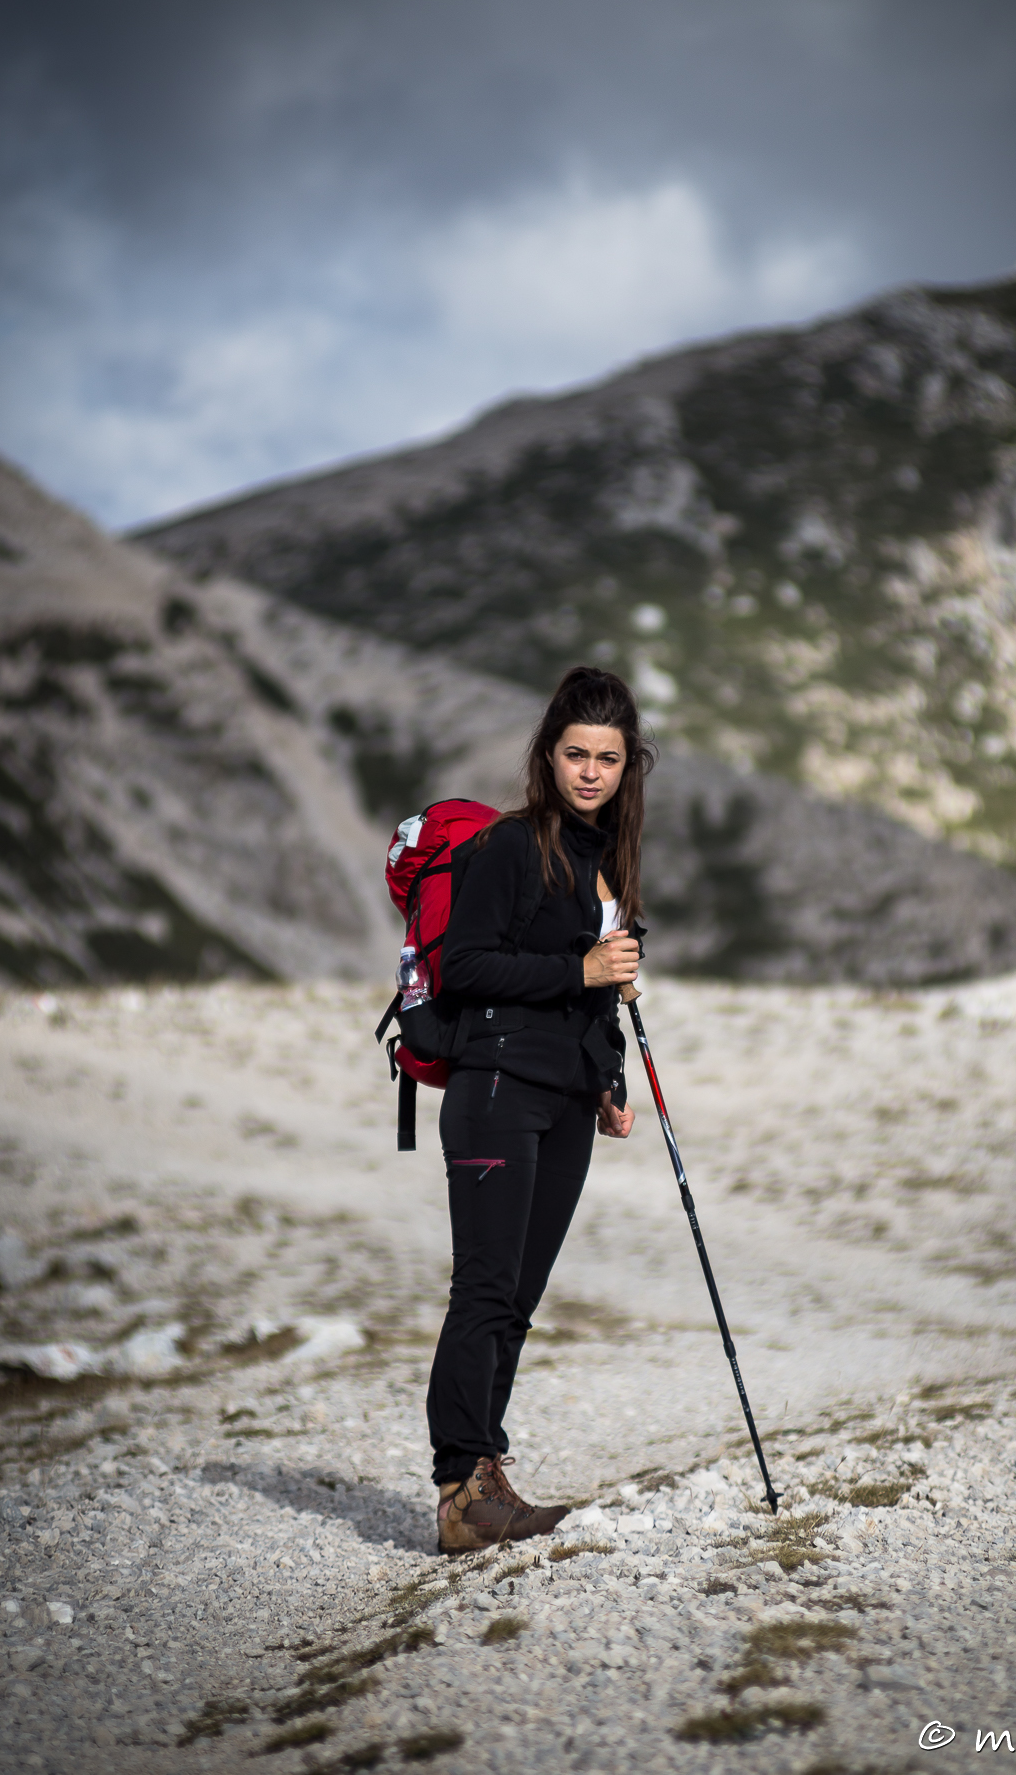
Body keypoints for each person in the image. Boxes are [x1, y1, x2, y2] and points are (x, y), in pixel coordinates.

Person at [427, 665, 652, 1552]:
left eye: (608, 758)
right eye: (574, 754)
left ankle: (484, 1480)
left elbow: (602, 998)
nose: (590, 772)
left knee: (518, 1300)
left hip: (562, 1102)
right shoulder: (509, 849)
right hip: (491, 1091)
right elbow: (464, 967)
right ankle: (459, 1488)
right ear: (546, 755)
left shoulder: (611, 864)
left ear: (629, 766)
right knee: (482, 1289)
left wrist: (608, 1081)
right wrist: (580, 970)